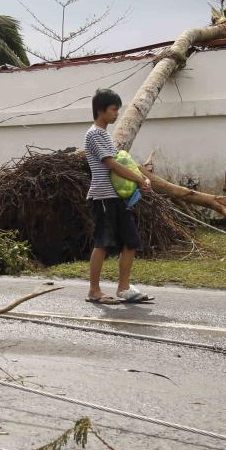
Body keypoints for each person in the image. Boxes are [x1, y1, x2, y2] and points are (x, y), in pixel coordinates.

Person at [83, 89, 154, 305]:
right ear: (101, 110)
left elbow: (122, 165)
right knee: (103, 243)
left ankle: (124, 288)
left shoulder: (104, 134)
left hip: (115, 197)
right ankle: (94, 291)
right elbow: (111, 164)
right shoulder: (94, 134)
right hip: (102, 197)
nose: (117, 114)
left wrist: (141, 180)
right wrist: (140, 180)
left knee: (131, 240)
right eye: (114, 110)